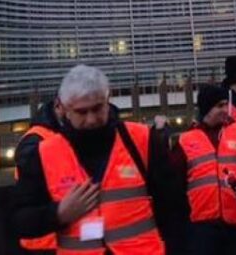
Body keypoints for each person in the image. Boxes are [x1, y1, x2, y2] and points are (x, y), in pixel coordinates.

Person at [10, 64, 187, 253]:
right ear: (63, 109)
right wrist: (58, 214)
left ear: (107, 100)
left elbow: (175, 207)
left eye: (97, 108)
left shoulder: (141, 140)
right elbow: (18, 220)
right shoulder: (45, 154)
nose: (92, 119)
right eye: (82, 112)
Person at [171, 84, 236, 255]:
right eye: (220, 105)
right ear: (207, 109)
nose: (226, 109)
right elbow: (174, 186)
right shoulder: (186, 140)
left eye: (226, 104)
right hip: (201, 228)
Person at [14, 99, 62, 254]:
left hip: (53, 236)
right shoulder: (36, 139)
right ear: (58, 105)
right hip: (43, 241)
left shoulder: (52, 134)